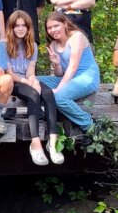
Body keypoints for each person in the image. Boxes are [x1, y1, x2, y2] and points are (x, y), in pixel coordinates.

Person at [4, 9, 63, 166]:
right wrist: (27, 81)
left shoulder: (32, 45)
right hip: (14, 82)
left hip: (27, 79)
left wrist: (33, 80)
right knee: (33, 94)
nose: (21, 28)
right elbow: (9, 73)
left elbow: (30, 70)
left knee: (48, 93)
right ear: (11, 27)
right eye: (17, 26)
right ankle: (35, 144)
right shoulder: (3, 45)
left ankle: (53, 142)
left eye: (24, 25)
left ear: (29, 27)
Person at [40, 11, 101, 139]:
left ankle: (90, 125)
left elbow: (73, 67)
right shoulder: (53, 44)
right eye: (49, 28)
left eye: (56, 26)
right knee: (32, 81)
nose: (53, 30)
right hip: (68, 78)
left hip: (86, 77)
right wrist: (56, 64)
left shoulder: (76, 37)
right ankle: (41, 112)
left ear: (65, 24)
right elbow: (59, 74)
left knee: (59, 97)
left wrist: (58, 89)